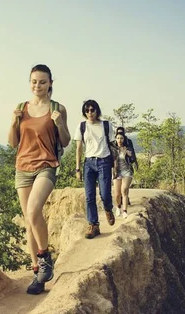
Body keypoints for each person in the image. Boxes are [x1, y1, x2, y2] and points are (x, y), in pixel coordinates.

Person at [8, 64, 70, 295]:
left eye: (42, 82)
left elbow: (64, 141)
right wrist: (14, 122)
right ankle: (38, 275)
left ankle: (44, 256)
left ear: (51, 83)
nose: (38, 86)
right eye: (34, 81)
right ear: (30, 82)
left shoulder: (58, 108)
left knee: (34, 211)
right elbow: (13, 143)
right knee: (28, 222)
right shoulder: (20, 108)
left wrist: (60, 124)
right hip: (22, 168)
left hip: (46, 165)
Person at [74, 100, 117, 239]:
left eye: (92, 110)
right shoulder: (81, 126)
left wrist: (115, 165)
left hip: (104, 161)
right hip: (89, 163)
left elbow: (113, 146)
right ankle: (93, 225)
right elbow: (79, 149)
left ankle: (108, 208)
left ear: (97, 110)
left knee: (105, 194)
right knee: (89, 196)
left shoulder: (106, 125)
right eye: (87, 110)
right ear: (84, 112)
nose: (90, 113)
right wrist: (77, 169)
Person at [112, 131, 136, 219]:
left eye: (121, 138)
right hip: (117, 172)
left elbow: (133, 159)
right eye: (118, 138)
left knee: (124, 189)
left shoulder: (128, 148)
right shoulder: (113, 149)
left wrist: (129, 155)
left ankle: (125, 211)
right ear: (115, 139)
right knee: (117, 194)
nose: (119, 140)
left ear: (124, 139)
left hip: (127, 171)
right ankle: (118, 207)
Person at [115, 126, 137, 207]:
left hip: (126, 167)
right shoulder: (115, 142)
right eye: (118, 131)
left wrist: (134, 161)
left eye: (121, 132)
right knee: (118, 189)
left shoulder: (128, 141)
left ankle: (126, 199)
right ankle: (121, 201)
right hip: (118, 169)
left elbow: (132, 152)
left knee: (124, 187)